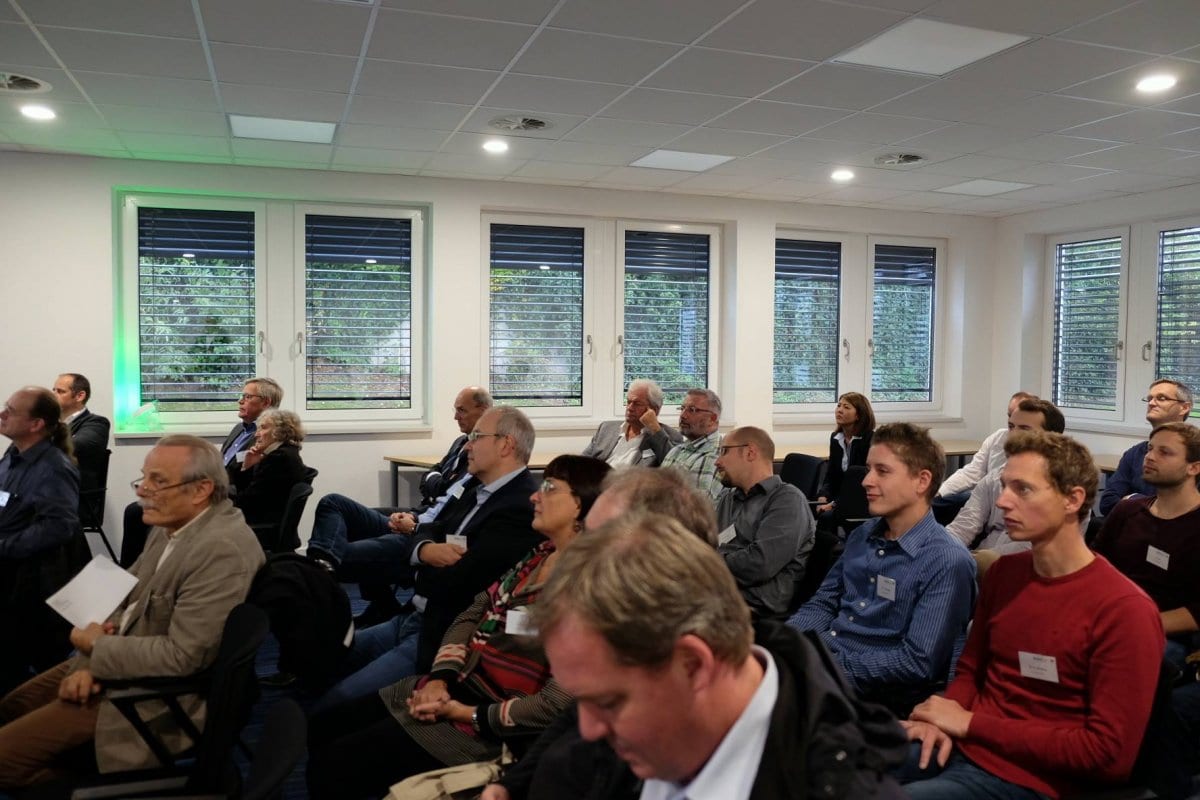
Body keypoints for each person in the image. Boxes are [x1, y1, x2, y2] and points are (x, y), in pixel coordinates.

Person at [495, 512, 907, 800]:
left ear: (692, 665)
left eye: (609, 702)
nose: (587, 730)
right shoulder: (625, 739)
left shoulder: (842, 787)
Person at [305, 456, 611, 799]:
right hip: (457, 684)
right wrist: (440, 679)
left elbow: (557, 703)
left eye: (550, 488)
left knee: (333, 766)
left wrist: (467, 712)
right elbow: (473, 612)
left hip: (491, 728)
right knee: (325, 723)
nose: (535, 496)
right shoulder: (540, 554)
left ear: (581, 506)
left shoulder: (592, 587)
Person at [899, 431, 1164, 799]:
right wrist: (943, 716)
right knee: (831, 761)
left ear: (1073, 499)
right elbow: (972, 669)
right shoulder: (1005, 574)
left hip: (1031, 777)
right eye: (1005, 486)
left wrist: (969, 723)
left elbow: (1108, 755)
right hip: (964, 744)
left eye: (1022, 489)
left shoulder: (1124, 609)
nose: (1002, 501)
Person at [0, 435, 265, 790]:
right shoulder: (173, 525)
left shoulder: (222, 551)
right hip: (122, 664)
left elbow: (183, 656)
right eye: (144, 477)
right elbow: (122, 598)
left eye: (158, 481)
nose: (142, 490)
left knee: (6, 761)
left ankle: (84, 790)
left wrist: (96, 650)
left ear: (201, 489)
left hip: (153, 697)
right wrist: (88, 663)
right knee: (12, 706)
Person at [309, 406, 542, 709]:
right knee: (316, 659)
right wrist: (425, 551)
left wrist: (416, 566)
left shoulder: (519, 507)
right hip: (412, 616)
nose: (468, 446)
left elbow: (461, 583)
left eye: (476, 437)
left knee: (335, 704)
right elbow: (432, 528)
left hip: (437, 635)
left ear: (505, 444)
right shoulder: (478, 489)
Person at [789, 423, 976, 716]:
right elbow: (824, 603)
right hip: (825, 668)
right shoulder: (863, 535)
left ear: (922, 481)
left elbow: (917, 663)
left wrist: (825, 668)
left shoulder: (946, 560)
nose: (866, 481)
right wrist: (785, 642)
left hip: (876, 697)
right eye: (868, 469)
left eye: (882, 471)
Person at [119, 377, 282, 567]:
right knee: (139, 509)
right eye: (241, 396)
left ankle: (144, 571)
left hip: (226, 499)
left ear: (265, 402)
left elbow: (253, 485)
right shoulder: (240, 429)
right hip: (211, 489)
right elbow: (220, 466)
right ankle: (135, 572)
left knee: (139, 511)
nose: (240, 401)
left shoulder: (269, 437)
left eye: (247, 397)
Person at [1093, 421, 1200, 672]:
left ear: (1194, 467)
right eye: (1150, 449)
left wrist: (1135, 623)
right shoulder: (1127, 510)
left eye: (1165, 452)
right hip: (1113, 615)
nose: (1150, 457)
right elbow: (1095, 565)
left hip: (1169, 633)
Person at [0, 387, 83, 692]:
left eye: (10, 411)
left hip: (24, 580)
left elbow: (59, 526)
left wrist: (4, 547)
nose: (2, 414)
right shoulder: (11, 458)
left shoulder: (53, 468)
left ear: (36, 424)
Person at [945, 398, 1065, 575]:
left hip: (1028, 570)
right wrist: (940, 551)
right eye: (1011, 427)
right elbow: (964, 525)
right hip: (979, 564)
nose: (1012, 435)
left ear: (1052, 438)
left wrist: (968, 562)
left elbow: (1030, 548)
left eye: (1024, 429)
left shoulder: (1063, 486)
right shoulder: (995, 477)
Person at [714, 426, 814, 619]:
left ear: (750, 452)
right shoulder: (729, 498)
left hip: (755, 606)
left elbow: (759, 564)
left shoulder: (787, 500)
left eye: (724, 451)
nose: (717, 461)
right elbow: (709, 544)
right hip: (719, 590)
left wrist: (704, 565)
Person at [1099, 379, 1193, 516]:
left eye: (1161, 398)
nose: (1151, 403)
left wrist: (1133, 499)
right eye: (1149, 399)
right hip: (1132, 527)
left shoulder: (1194, 455)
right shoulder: (1135, 453)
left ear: (1184, 407)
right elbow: (1107, 503)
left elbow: (1186, 511)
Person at [230, 408, 309, 542]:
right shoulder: (284, 453)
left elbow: (247, 502)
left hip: (261, 525)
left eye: (263, 428)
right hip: (263, 520)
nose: (256, 434)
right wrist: (247, 466)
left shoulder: (279, 459)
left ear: (281, 431)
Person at [581, 379, 683, 467]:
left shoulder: (670, 436)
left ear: (654, 410)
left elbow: (673, 467)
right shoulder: (606, 428)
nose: (629, 408)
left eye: (637, 404)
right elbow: (581, 463)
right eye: (628, 402)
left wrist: (655, 429)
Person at [420, 386, 493, 503]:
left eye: (462, 410)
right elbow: (436, 469)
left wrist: (433, 482)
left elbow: (447, 490)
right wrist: (434, 482)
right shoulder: (460, 441)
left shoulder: (483, 450)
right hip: (427, 508)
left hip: (443, 511)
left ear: (484, 411)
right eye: (456, 411)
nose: (456, 417)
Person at [814, 391, 875, 517]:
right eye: (839, 406)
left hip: (861, 499)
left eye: (846, 407)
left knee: (826, 517)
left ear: (859, 415)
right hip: (839, 498)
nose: (839, 410)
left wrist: (834, 504)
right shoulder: (836, 438)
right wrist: (822, 496)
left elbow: (861, 482)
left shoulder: (870, 440)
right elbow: (831, 475)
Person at [51, 373, 110, 498]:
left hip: (73, 494)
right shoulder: (48, 423)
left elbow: (77, 444)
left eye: (60, 391)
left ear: (80, 396)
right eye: (54, 390)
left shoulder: (96, 423)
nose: (53, 395)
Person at [659, 388, 723, 500]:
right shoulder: (677, 450)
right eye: (682, 408)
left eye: (692, 410)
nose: (683, 415)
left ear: (712, 419)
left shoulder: (714, 455)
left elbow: (698, 507)